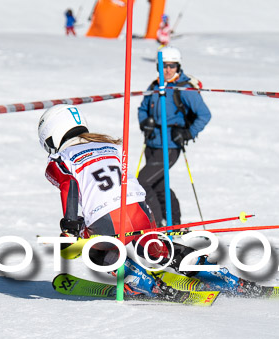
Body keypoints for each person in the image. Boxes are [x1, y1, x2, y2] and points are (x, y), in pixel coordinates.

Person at [39, 104, 263, 299]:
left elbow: (70, 186)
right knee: (155, 248)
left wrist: (70, 229)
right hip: (139, 209)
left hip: (105, 218)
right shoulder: (112, 146)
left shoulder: (59, 159)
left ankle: (143, 283)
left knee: (94, 251)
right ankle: (225, 278)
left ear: (52, 136)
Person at [137, 46, 211, 227]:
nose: (168, 70)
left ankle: (157, 225)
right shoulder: (155, 86)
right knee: (159, 186)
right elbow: (142, 108)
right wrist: (144, 121)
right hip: (152, 143)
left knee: (142, 183)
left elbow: (204, 114)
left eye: (172, 66)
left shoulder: (184, 88)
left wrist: (187, 132)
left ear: (178, 67)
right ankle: (174, 223)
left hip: (170, 145)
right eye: (164, 66)